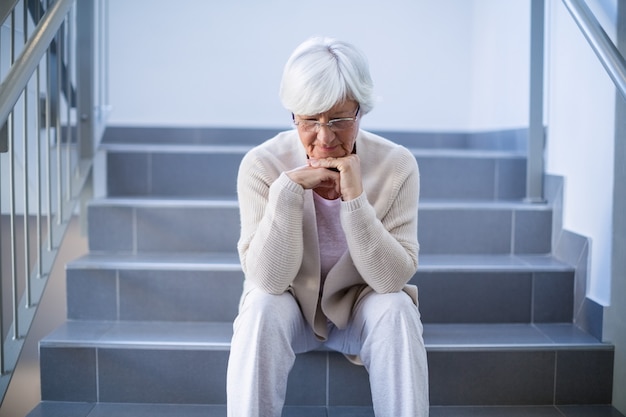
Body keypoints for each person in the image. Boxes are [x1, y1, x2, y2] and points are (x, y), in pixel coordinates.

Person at [226, 36, 429, 417]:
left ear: (361, 112)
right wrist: (287, 192)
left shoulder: (397, 165)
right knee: (259, 308)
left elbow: (391, 279)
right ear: (293, 116)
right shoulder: (261, 165)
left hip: (359, 306)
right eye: (308, 121)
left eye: (338, 119)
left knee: (398, 308)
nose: (324, 137)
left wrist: (355, 200)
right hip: (290, 305)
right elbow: (268, 280)